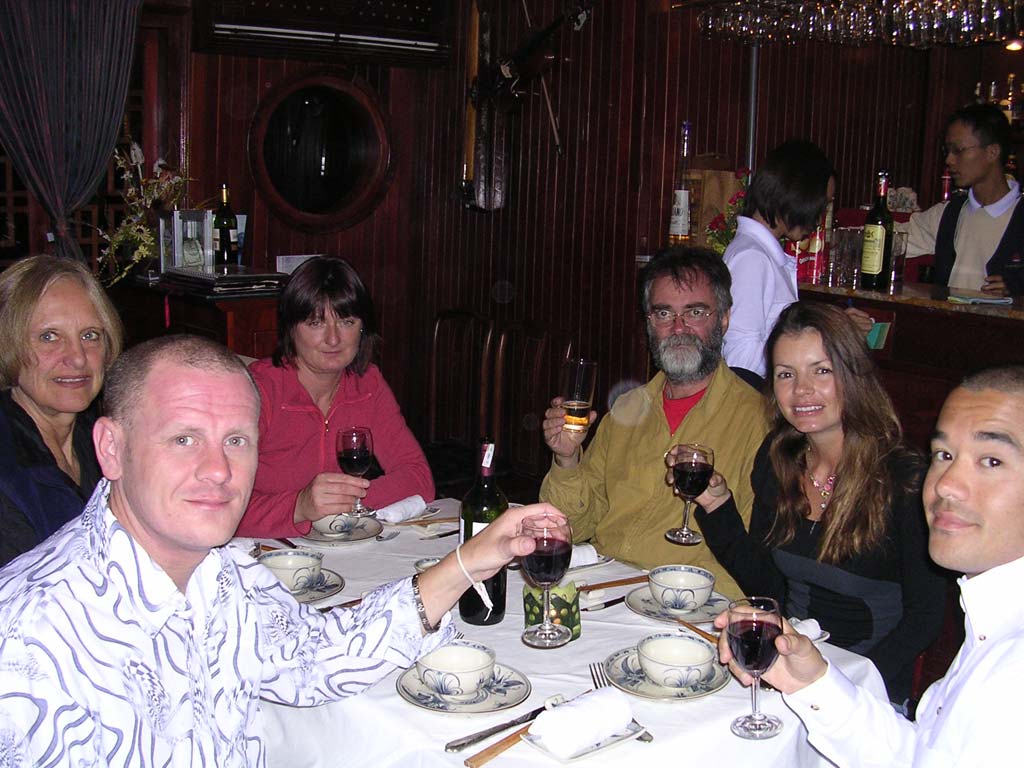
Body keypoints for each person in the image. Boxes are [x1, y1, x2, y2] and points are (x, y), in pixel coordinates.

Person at [0, 334, 554, 766]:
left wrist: (468, 560)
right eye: (184, 438)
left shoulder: (226, 575)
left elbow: (317, 659)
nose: (219, 470)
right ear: (111, 449)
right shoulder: (31, 637)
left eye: (236, 440)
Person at [715, 364, 1024, 765]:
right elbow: (916, 756)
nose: (946, 483)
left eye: (992, 461)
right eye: (944, 455)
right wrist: (814, 682)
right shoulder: (991, 625)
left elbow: (922, 616)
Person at [679, 302, 945, 703]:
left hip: (869, 687)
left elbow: (924, 618)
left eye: (821, 371)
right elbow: (767, 583)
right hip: (791, 669)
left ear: (854, 374)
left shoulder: (905, 480)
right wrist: (717, 506)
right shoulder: (779, 458)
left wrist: (843, 690)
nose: (801, 390)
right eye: (786, 375)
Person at [539, 246, 769, 597]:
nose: (678, 328)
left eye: (695, 312)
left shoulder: (758, 420)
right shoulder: (628, 409)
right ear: (649, 322)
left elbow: (759, 559)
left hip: (689, 603)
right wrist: (567, 459)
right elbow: (573, 526)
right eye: (664, 313)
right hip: (605, 587)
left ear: (723, 319)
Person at [236, 256, 433, 538]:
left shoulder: (368, 384)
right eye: (316, 323)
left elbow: (419, 478)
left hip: (343, 546)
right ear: (291, 328)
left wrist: (349, 501)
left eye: (346, 321)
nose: (333, 339)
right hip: (267, 552)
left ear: (363, 327)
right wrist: (298, 507)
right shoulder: (259, 391)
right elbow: (219, 505)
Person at [0, 254, 124, 566]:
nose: (79, 358)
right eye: (49, 337)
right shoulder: (7, 469)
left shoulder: (106, 434)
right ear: (7, 344)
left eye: (90, 335)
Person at [721, 140, 836, 382]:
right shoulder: (752, 258)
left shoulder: (760, 252)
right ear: (799, 195)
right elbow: (739, 360)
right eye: (821, 204)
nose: (820, 217)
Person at [905, 103, 1023, 296]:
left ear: (992, 152)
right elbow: (885, 239)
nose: (949, 160)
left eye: (958, 150)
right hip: (948, 323)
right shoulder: (947, 214)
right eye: (947, 151)